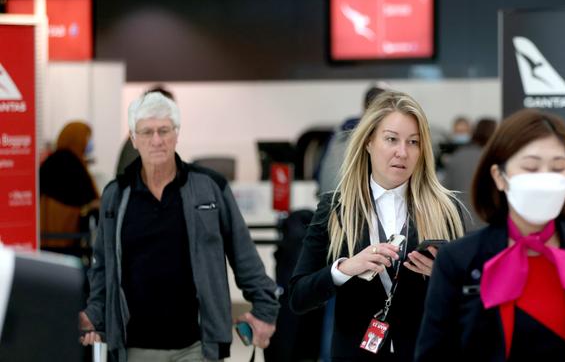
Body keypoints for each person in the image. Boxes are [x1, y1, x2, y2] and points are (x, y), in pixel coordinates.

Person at [415, 109, 565, 361]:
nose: (545, 178)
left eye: (558, 167)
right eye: (531, 167)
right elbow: (433, 354)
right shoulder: (460, 259)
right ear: (500, 177)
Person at [79, 91, 279, 361]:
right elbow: (102, 267)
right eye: (147, 132)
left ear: (177, 133)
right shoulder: (116, 195)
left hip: (197, 346)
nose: (157, 140)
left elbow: (244, 255)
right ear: (134, 139)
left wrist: (266, 310)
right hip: (135, 348)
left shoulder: (210, 188)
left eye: (164, 130)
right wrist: (94, 315)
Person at [290, 90, 465, 361]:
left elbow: (470, 300)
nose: (402, 152)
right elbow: (299, 297)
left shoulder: (445, 209)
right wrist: (346, 268)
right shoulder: (336, 208)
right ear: (369, 141)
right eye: (391, 139)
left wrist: (445, 277)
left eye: (414, 142)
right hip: (356, 352)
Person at [40, 121, 99, 256]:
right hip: (66, 239)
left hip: (45, 240)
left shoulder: (52, 160)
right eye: (87, 138)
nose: (89, 143)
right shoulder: (71, 163)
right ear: (77, 138)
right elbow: (89, 199)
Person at [317, 84, 387, 194]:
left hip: (325, 200)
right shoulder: (370, 133)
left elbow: (317, 172)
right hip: (347, 202)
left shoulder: (338, 132)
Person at [442, 117, 497, 231]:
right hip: (486, 223)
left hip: (460, 222)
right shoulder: (492, 159)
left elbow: (444, 190)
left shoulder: (457, 156)